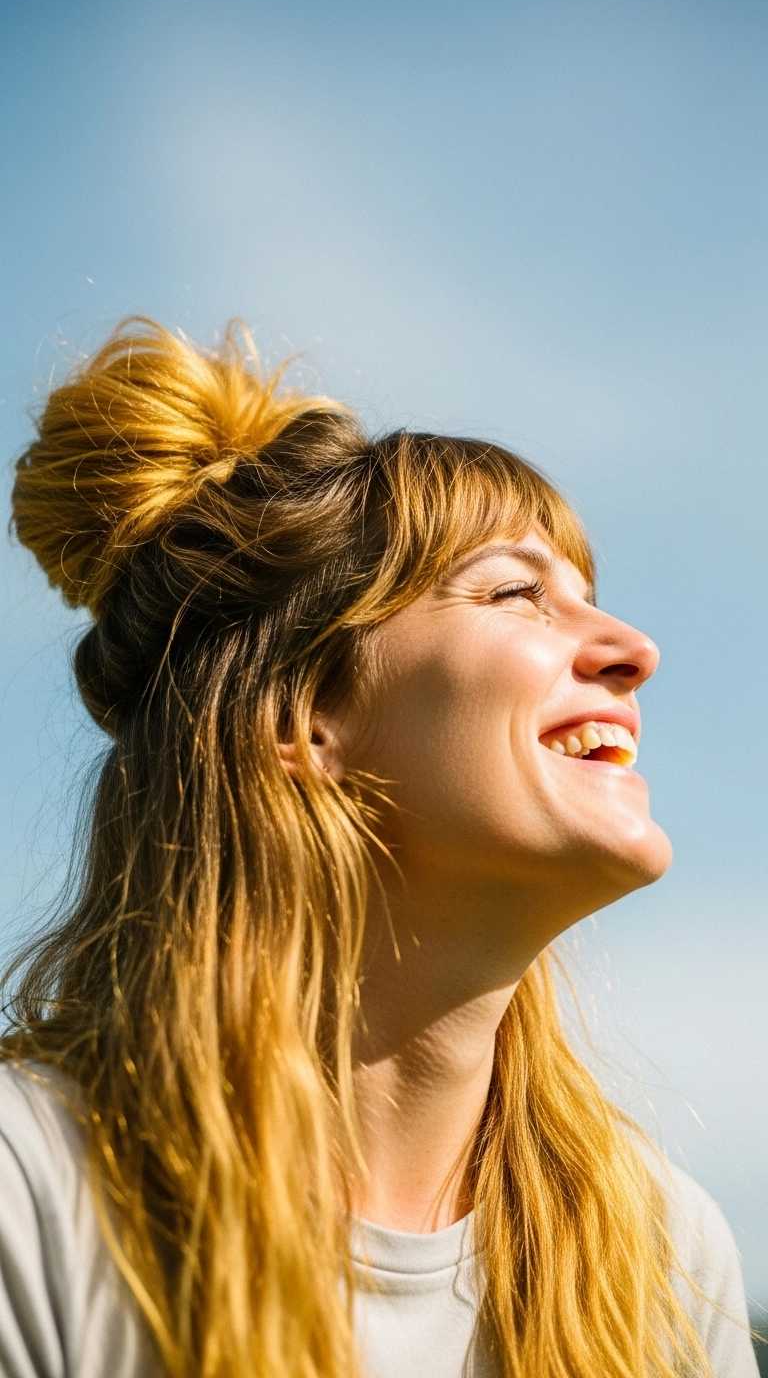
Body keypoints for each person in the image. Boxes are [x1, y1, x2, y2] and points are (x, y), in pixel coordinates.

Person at [0, 318, 756, 1378]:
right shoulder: (31, 1193)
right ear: (308, 714)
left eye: (590, 598)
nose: (635, 650)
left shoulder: (668, 1258)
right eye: (515, 591)